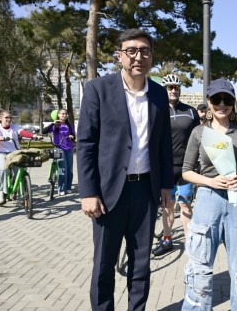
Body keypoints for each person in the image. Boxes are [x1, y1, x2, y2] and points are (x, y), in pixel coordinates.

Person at [77, 28, 173, 310]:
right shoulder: (97, 89)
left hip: (146, 190)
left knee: (141, 263)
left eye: (144, 51)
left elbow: (163, 144)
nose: (138, 57)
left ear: (152, 57)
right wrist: (88, 192)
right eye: (131, 51)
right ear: (119, 56)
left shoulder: (157, 93)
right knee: (104, 264)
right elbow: (86, 144)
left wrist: (166, 184)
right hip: (108, 194)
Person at [181, 78, 237, 311]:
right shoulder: (198, 132)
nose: (222, 104)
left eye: (227, 99)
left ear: (233, 102)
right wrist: (210, 181)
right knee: (200, 272)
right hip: (207, 200)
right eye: (216, 99)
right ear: (208, 102)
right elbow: (186, 171)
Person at [152, 74, 199, 256]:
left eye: (176, 87)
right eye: (170, 87)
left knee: (186, 204)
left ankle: (189, 241)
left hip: (186, 167)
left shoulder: (190, 111)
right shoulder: (156, 110)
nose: (173, 90)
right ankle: (167, 238)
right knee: (168, 206)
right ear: (164, 89)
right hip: (165, 167)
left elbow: (198, 138)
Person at [0, 110, 42, 205]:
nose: (9, 119)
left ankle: (22, 194)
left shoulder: (15, 127)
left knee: (20, 170)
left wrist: (34, 136)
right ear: (0, 118)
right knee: (3, 168)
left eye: (10, 118)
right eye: (6, 118)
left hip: (14, 152)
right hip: (0, 152)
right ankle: (1, 192)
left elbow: (23, 132)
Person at [42, 108, 76, 195]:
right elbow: (43, 131)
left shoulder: (69, 125)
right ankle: (61, 189)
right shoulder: (55, 125)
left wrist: (72, 136)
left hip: (69, 148)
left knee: (69, 170)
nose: (64, 115)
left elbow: (74, 136)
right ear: (58, 115)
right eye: (62, 114)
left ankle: (68, 187)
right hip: (59, 148)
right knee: (62, 169)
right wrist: (53, 123)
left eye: (65, 114)